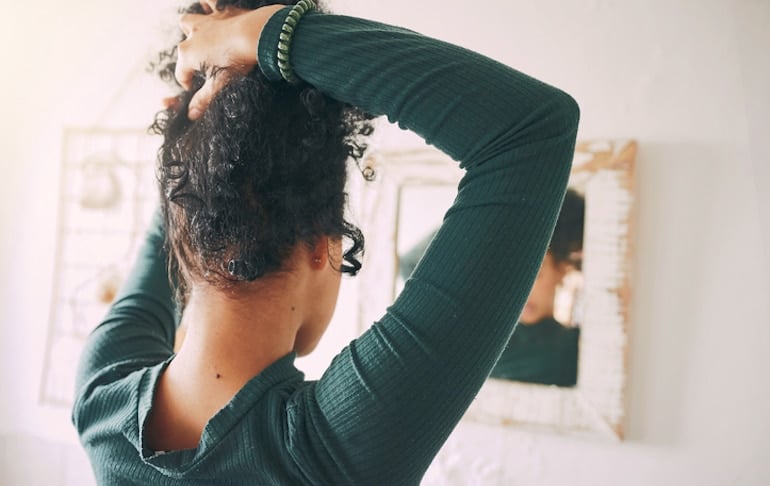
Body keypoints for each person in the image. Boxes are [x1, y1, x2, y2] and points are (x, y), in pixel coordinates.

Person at [72, 1, 579, 484]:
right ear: (322, 242)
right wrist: (265, 37)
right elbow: (528, 129)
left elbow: (182, 214)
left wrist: (201, 130)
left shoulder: (101, 400)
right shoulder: (334, 449)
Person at [488, 189, 585, 387]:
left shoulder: (573, 349)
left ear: (563, 269)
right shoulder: (486, 339)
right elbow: (413, 262)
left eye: (534, 274)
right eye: (508, 275)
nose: (518, 293)